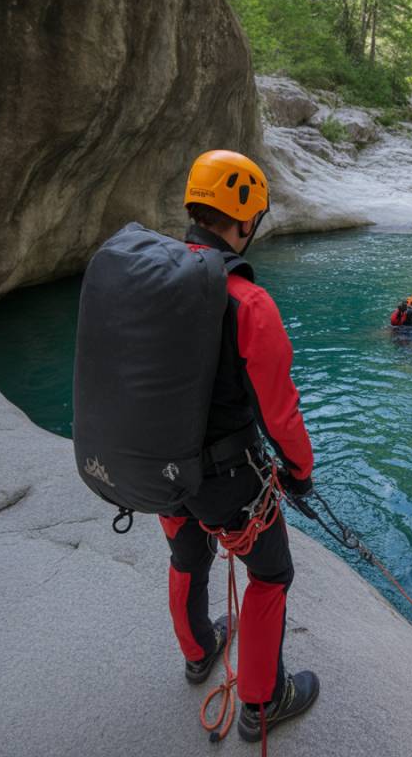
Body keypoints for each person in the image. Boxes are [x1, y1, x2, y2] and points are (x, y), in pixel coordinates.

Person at [160, 149, 319, 742]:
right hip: (228, 480)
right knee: (271, 573)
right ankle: (262, 702)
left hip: (162, 465)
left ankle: (199, 652)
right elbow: (279, 411)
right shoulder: (247, 302)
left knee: (187, 556)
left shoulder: (155, 278)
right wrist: (300, 472)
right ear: (244, 219)